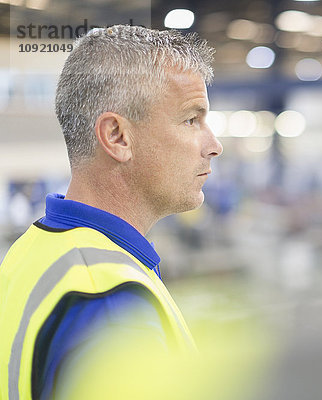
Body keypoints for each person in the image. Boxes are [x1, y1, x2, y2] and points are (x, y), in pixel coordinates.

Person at [0, 25, 223, 400]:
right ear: (118, 137)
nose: (214, 145)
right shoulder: (108, 302)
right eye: (191, 119)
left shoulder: (34, 249)